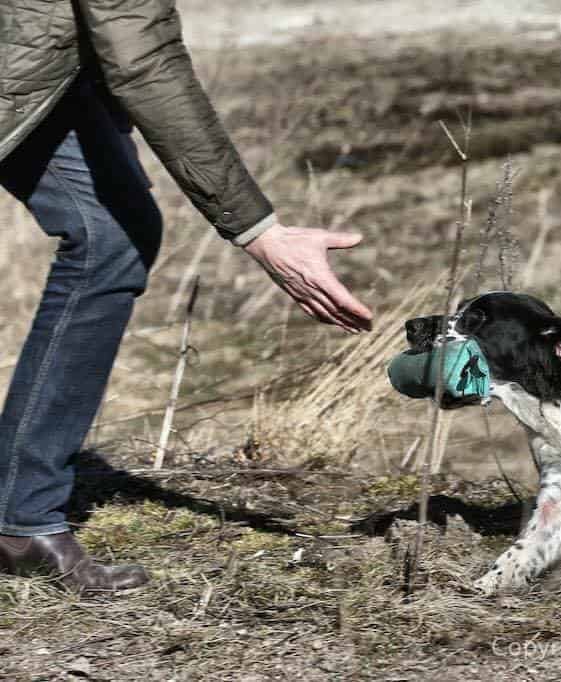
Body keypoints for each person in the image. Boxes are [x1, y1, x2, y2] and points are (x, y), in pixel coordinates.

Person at [0, 0, 373, 590]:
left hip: (27, 62)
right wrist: (260, 231)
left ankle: (21, 520)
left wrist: (108, 120)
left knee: (113, 236)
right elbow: (141, 56)